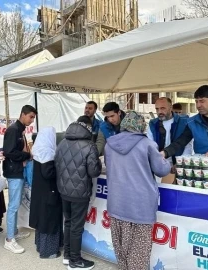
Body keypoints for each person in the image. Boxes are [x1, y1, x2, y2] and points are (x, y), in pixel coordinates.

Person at [105, 111, 171, 270]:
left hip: (116, 204)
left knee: (121, 251)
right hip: (140, 207)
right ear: (141, 126)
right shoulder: (147, 144)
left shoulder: (109, 144)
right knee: (139, 255)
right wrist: (166, 161)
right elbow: (161, 170)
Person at [55, 115, 102, 270]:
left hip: (64, 191)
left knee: (68, 222)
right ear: (88, 128)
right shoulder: (90, 146)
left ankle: (68, 256)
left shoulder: (62, 142)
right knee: (76, 226)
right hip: (80, 193)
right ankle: (75, 261)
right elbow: (93, 172)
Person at [3, 105, 37, 254]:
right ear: (22, 114)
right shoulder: (13, 130)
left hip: (19, 171)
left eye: (34, 118)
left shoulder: (21, 129)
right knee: (13, 205)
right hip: (14, 172)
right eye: (30, 117)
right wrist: (27, 155)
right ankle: (9, 239)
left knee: (16, 204)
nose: (32, 120)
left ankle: (14, 231)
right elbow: (9, 152)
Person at [29, 127, 62, 259]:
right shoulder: (47, 152)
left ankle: (40, 246)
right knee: (49, 220)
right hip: (49, 191)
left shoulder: (38, 149)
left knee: (42, 219)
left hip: (39, 191)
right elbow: (48, 173)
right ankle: (48, 251)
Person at [147, 97, 192, 177]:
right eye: (157, 109)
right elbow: (150, 146)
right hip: (160, 166)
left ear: (170, 107)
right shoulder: (153, 124)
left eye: (163, 108)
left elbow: (187, 145)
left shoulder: (183, 122)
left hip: (179, 165)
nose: (159, 112)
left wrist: (180, 163)